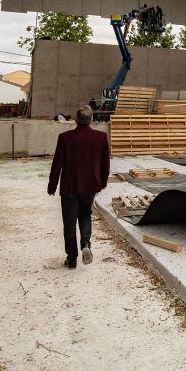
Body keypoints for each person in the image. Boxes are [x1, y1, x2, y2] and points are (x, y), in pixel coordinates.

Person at [46, 105, 110, 268]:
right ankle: (86, 245)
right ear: (91, 120)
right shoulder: (101, 137)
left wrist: (52, 186)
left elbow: (57, 165)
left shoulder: (65, 138)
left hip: (70, 187)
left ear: (75, 120)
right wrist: (102, 182)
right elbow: (105, 164)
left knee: (69, 223)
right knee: (85, 215)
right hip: (90, 186)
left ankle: (72, 259)